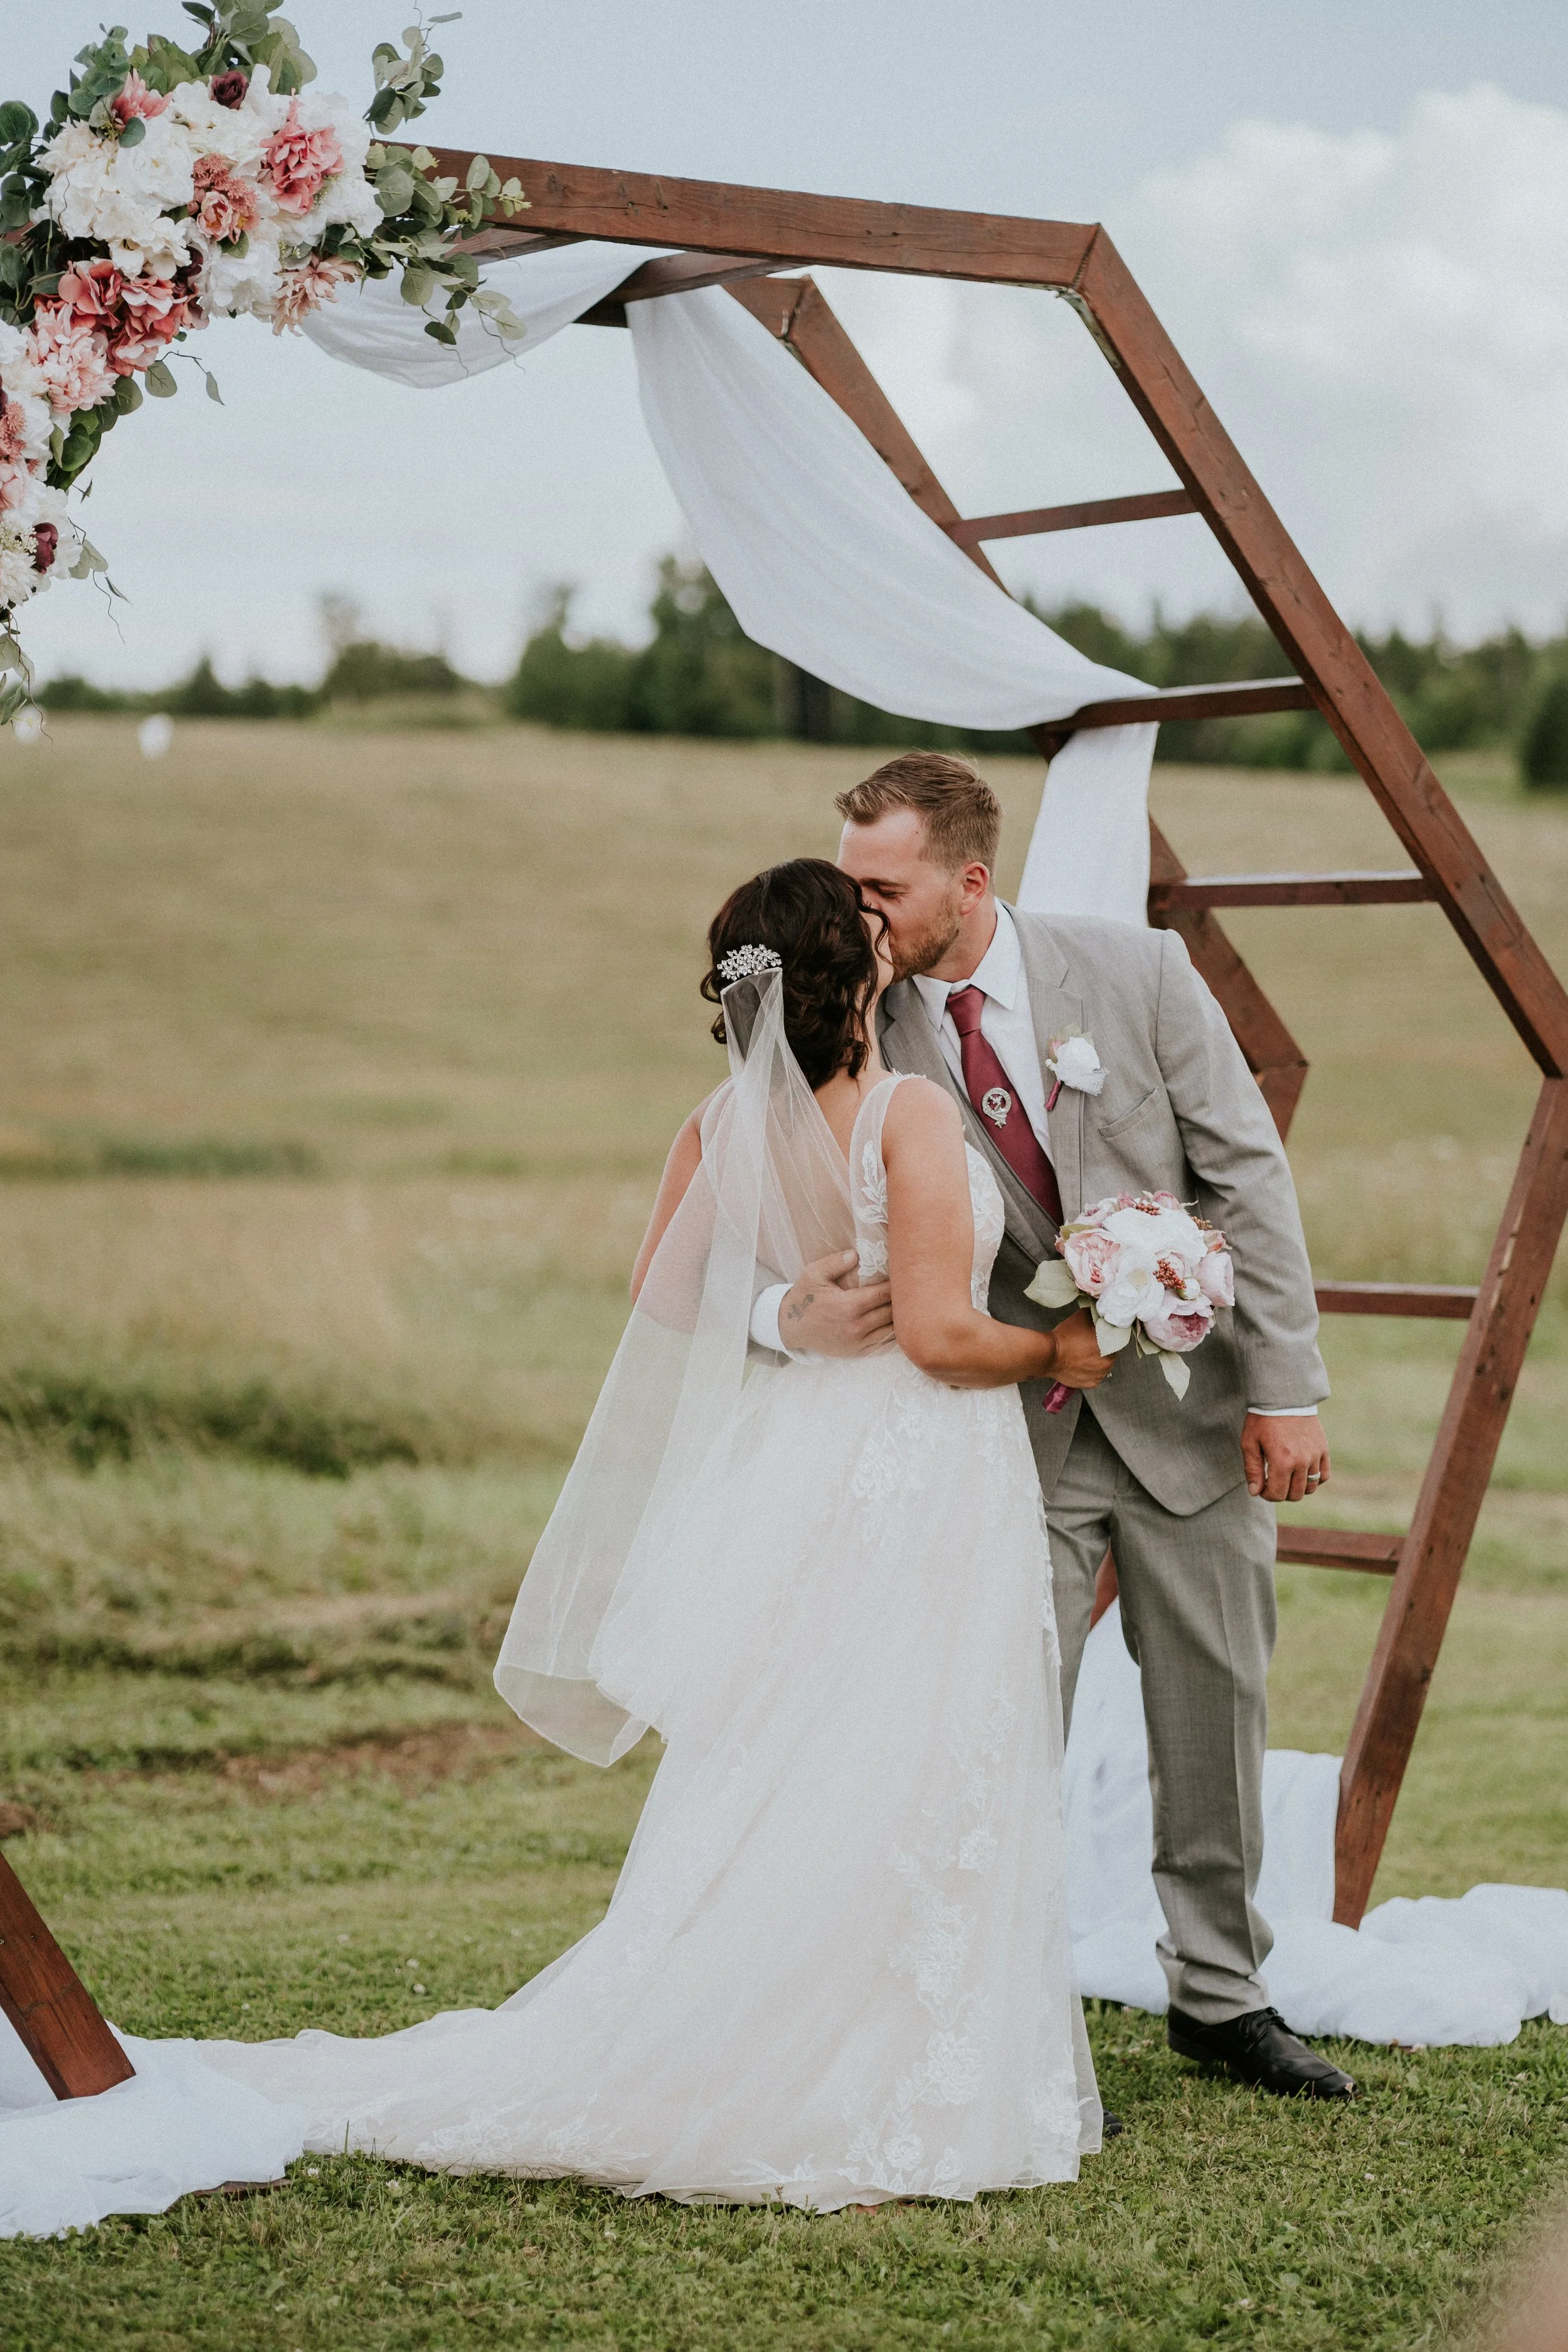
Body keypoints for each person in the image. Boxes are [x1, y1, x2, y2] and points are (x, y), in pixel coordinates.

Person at [199, 857, 1106, 2209]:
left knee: (797, 1756)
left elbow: (660, 1292)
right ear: (847, 977)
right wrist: (1065, 1347)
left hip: (809, 1461)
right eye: (864, 929)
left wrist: (773, 1325)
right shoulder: (907, 1113)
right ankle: (871, 2064)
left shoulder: (717, 1123)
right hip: (914, 1470)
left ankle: (782, 2025)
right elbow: (935, 1336)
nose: (882, 939)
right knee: (910, 1746)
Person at [751, 753, 1355, 2102]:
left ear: (969, 882)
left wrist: (1284, 1386)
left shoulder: (1133, 974)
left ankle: (1219, 1994)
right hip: (993, 1436)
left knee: (1215, 1701)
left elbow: (1243, 1170)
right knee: (992, 1719)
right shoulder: (856, 1023)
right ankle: (988, 1991)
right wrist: (784, 1316)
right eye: (846, 884)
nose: (855, 915)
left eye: (880, 888)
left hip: (1187, 1416)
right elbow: (770, 1195)